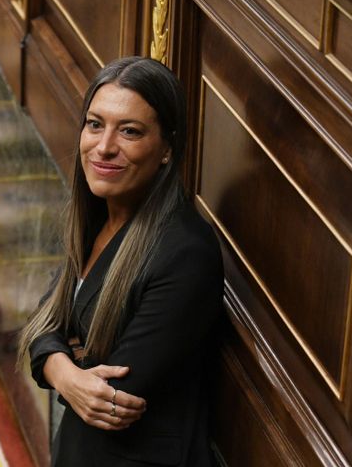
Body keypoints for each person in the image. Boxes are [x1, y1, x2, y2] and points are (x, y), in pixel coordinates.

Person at [17, 57, 224, 466]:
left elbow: (109, 397)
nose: (104, 146)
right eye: (95, 124)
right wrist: (67, 371)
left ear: (167, 147)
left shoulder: (184, 252)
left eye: (129, 131)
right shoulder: (99, 214)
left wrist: (63, 358)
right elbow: (45, 319)